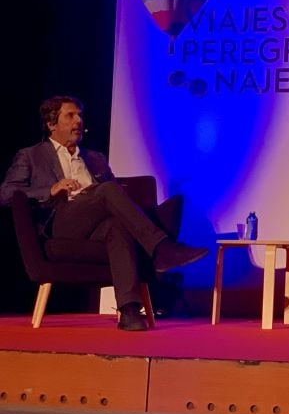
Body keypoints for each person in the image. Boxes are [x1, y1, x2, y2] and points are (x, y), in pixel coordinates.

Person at [0, 96, 209, 331]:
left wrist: (97, 195)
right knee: (108, 189)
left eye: (80, 115)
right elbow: (6, 193)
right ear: (51, 124)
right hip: (59, 221)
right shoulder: (31, 155)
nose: (78, 120)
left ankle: (129, 310)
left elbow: (116, 202)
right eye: (70, 116)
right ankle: (161, 248)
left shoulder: (95, 159)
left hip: (95, 224)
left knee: (117, 227)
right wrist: (50, 189)